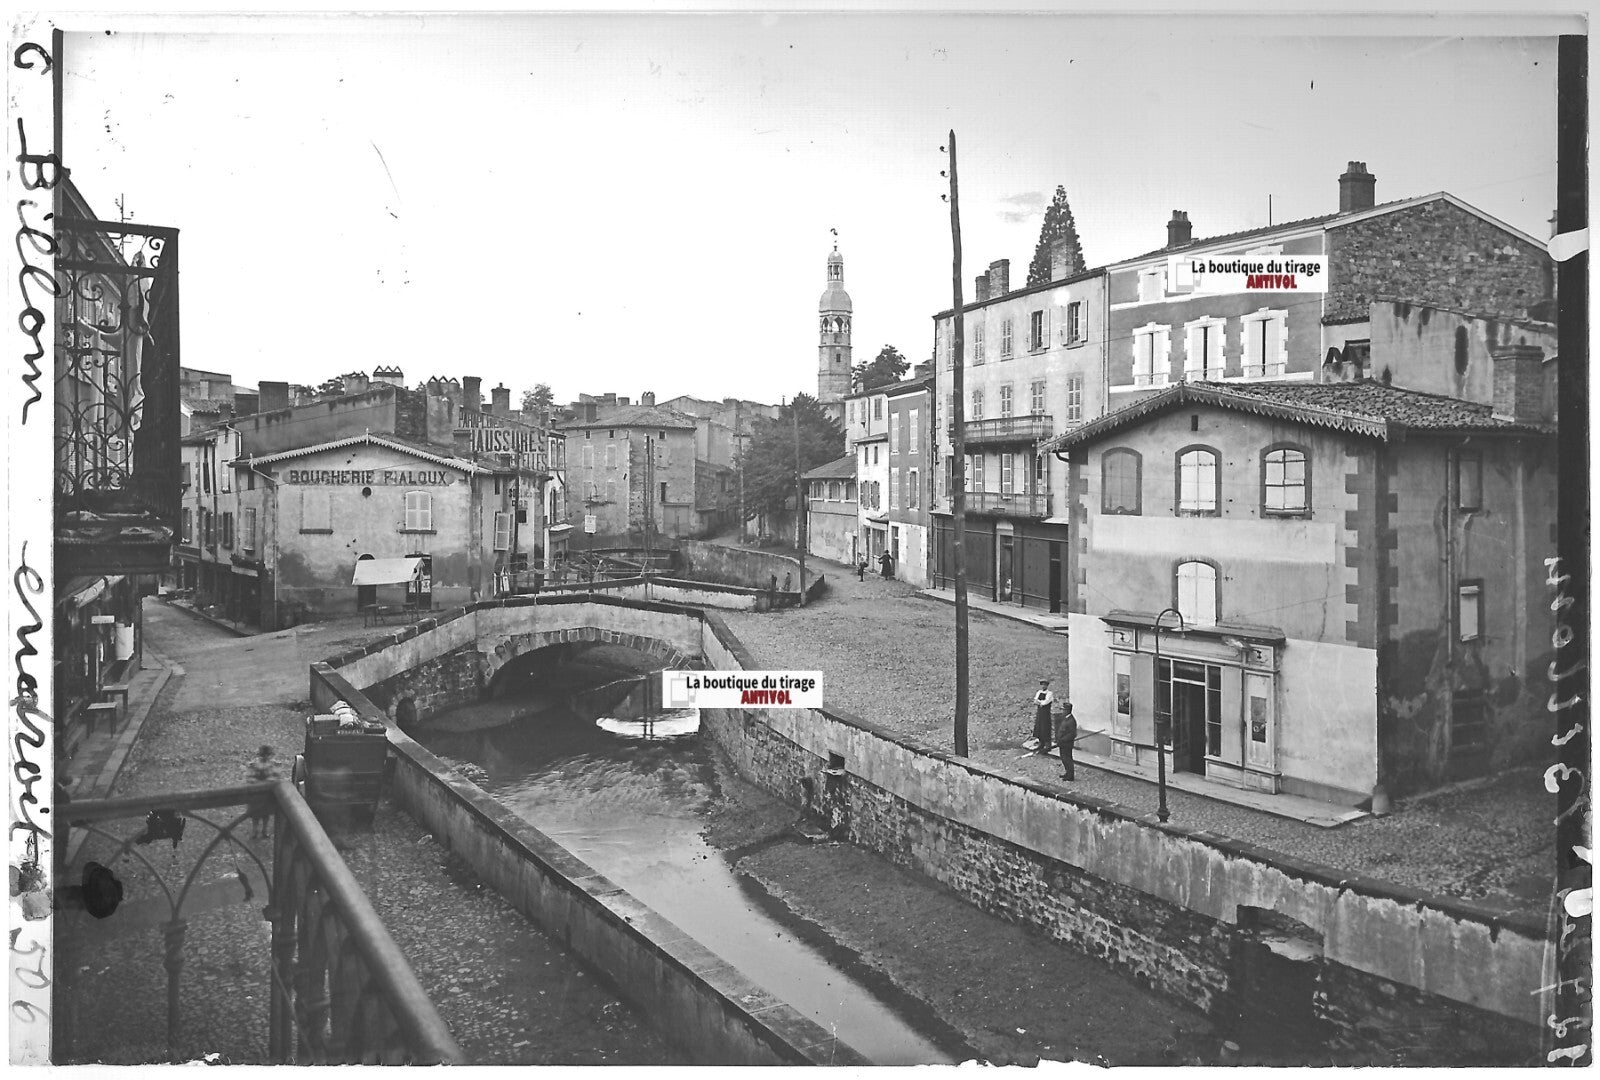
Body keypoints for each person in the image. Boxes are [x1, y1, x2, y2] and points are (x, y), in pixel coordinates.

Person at [243, 745, 283, 840]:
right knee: (255, 814)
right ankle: (255, 830)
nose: (265, 757)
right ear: (260, 755)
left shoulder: (273, 765)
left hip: (267, 793)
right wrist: (256, 782)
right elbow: (249, 777)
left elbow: (277, 776)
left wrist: (270, 781)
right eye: (263, 755)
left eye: (267, 755)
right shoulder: (254, 765)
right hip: (256, 792)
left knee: (266, 813)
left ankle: (264, 830)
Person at [1054, 700, 1078, 780]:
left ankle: (1070, 776)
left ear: (1068, 711)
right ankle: (1067, 773)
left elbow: (1072, 734)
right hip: (1062, 743)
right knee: (1063, 758)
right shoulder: (1065, 718)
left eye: (1063, 710)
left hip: (1067, 744)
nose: (1062, 711)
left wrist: (1063, 740)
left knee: (1067, 759)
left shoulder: (1071, 721)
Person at [1031, 679, 1055, 752]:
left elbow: (1046, 702)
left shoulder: (1049, 693)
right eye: (1042, 684)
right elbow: (1035, 700)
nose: (1043, 686)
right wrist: (1039, 702)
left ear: (1047, 685)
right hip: (1040, 712)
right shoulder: (1039, 692)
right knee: (1039, 727)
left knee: (1046, 727)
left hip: (1046, 713)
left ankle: (1048, 745)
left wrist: (1040, 702)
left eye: (1045, 684)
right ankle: (1041, 743)